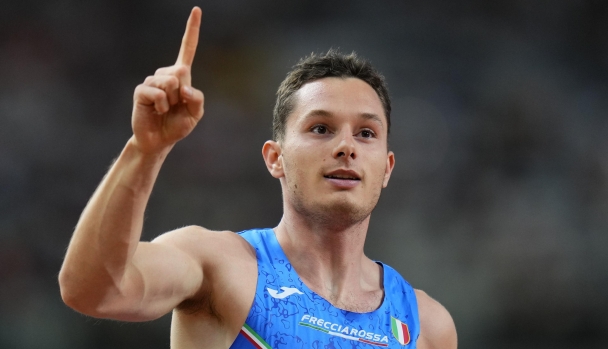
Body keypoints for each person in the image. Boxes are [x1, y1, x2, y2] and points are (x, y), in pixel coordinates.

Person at [59, 6, 457, 349]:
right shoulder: (221, 267)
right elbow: (94, 290)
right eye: (320, 128)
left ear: (386, 168)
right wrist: (145, 151)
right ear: (275, 158)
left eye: (366, 133)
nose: (346, 147)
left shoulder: (426, 326)